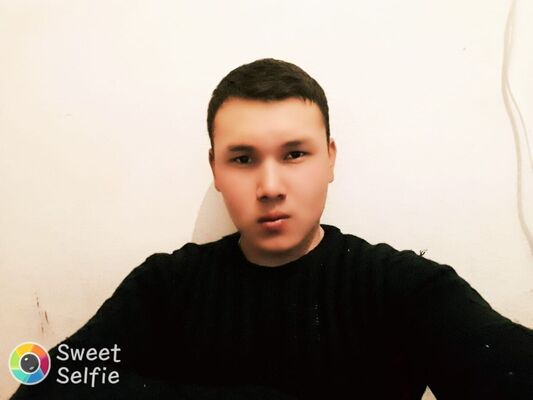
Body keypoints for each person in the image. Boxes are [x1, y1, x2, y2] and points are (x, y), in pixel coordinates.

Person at [11, 58, 533, 399]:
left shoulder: (402, 286)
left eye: (295, 154)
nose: (270, 186)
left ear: (330, 159)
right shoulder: (166, 286)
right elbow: (43, 380)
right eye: (242, 159)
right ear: (215, 169)